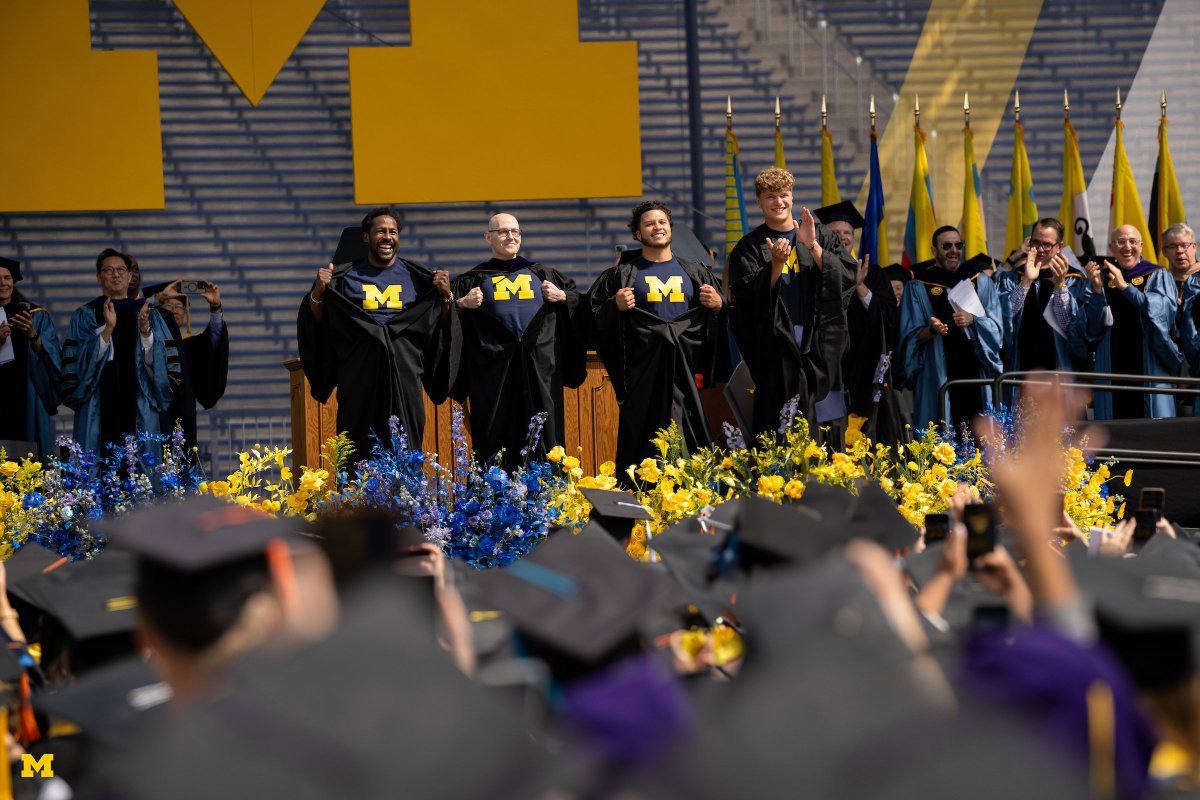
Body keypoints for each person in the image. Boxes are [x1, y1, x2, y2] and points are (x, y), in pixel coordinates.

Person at [297, 207, 457, 459]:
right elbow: (320, 322)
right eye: (380, 231)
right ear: (365, 237)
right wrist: (318, 292)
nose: (387, 237)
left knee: (406, 452)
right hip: (359, 378)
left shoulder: (418, 279)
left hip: (405, 377)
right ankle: (358, 499)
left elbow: (439, 326)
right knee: (358, 452)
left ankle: (408, 499)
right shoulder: (344, 278)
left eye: (393, 232)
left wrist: (446, 297)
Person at [587, 201, 723, 477]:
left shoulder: (696, 273)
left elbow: (719, 322)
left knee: (690, 440)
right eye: (649, 224)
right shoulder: (622, 275)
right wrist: (614, 306)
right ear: (637, 234)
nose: (657, 227)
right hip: (642, 377)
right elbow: (590, 315)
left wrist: (719, 305)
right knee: (642, 442)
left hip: (685, 376)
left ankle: (692, 499)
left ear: (670, 228)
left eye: (662, 222)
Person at [726, 168, 855, 438]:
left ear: (792, 198)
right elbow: (746, 301)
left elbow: (845, 278)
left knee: (825, 423)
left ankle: (829, 476)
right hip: (777, 346)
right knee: (780, 421)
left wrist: (812, 247)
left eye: (784, 195)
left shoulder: (820, 235)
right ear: (759, 201)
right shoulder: (748, 248)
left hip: (819, 342)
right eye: (770, 196)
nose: (778, 202)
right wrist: (774, 264)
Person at [450, 214, 586, 467]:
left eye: (515, 231)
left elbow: (586, 310)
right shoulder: (471, 280)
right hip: (493, 375)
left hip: (540, 373)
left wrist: (565, 297)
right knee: (493, 438)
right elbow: (440, 317)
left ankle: (548, 496)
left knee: (545, 435)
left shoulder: (546, 275)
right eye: (502, 232)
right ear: (488, 237)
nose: (510, 236)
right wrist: (460, 304)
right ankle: (493, 498)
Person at [62, 249, 177, 453]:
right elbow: (76, 362)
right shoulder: (85, 315)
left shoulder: (150, 315)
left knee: (140, 475)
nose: (116, 274)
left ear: (130, 276)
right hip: (97, 405)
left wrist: (145, 332)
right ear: (99, 277)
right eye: (108, 270)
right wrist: (107, 331)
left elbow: (162, 363)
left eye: (121, 270)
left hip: (139, 403)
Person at [897, 226, 1004, 431]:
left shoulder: (980, 282)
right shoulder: (918, 287)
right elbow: (908, 337)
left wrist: (974, 320)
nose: (953, 250)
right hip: (937, 375)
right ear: (934, 251)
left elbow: (997, 333)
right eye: (946, 246)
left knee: (979, 440)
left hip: (976, 376)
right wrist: (932, 330)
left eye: (958, 245)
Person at [1088, 224, 1181, 419]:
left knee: (1154, 435)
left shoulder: (1157, 275)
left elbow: (1162, 314)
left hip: (1149, 364)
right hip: (1111, 365)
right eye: (1120, 242)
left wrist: (1125, 287)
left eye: (1132, 241)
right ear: (1111, 247)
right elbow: (1091, 328)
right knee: (1113, 436)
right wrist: (1096, 291)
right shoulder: (1101, 278)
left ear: (1141, 245)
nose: (1127, 247)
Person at [994, 218, 1093, 375]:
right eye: (1035, 242)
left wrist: (1060, 285)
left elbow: (1069, 326)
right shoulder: (1012, 277)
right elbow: (1003, 317)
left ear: (1059, 246)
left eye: (1046, 244)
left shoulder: (1073, 278)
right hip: (1020, 364)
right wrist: (1026, 281)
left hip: (1057, 365)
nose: (1040, 249)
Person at [150, 280, 229, 456]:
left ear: (185, 314)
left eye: (179, 306)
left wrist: (215, 307)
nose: (174, 309)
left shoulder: (191, 344)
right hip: (151, 411)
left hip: (181, 414)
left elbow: (214, 342)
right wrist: (158, 301)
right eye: (168, 305)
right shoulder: (148, 340)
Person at [0, 256, 62, 457]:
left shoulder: (36, 315)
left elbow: (51, 356)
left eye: (7, 278)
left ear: (13, 281)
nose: (3, 283)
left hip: (26, 393)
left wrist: (32, 335)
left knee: (26, 456)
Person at [844, 261, 910, 446]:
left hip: (868, 364)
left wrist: (859, 285)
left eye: (847, 232)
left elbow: (888, 318)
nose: (843, 236)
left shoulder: (873, 273)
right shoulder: (817, 269)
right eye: (837, 231)